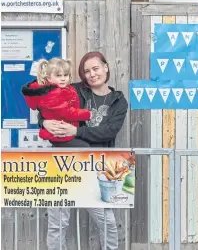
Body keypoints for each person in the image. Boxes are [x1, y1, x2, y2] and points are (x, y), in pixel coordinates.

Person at [38, 51, 128, 250]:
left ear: (106, 67)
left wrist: (76, 130)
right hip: (62, 164)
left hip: (96, 169)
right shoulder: (73, 90)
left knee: (108, 223)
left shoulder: (118, 100)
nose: (92, 74)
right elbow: (47, 108)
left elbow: (109, 131)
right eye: (86, 71)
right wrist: (44, 122)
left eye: (96, 68)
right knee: (57, 224)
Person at [21, 58, 92, 146]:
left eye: (65, 75)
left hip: (67, 131)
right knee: (84, 147)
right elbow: (66, 112)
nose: (63, 79)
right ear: (49, 78)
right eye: (58, 75)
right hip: (59, 134)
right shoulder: (53, 94)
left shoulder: (67, 88)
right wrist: (88, 114)